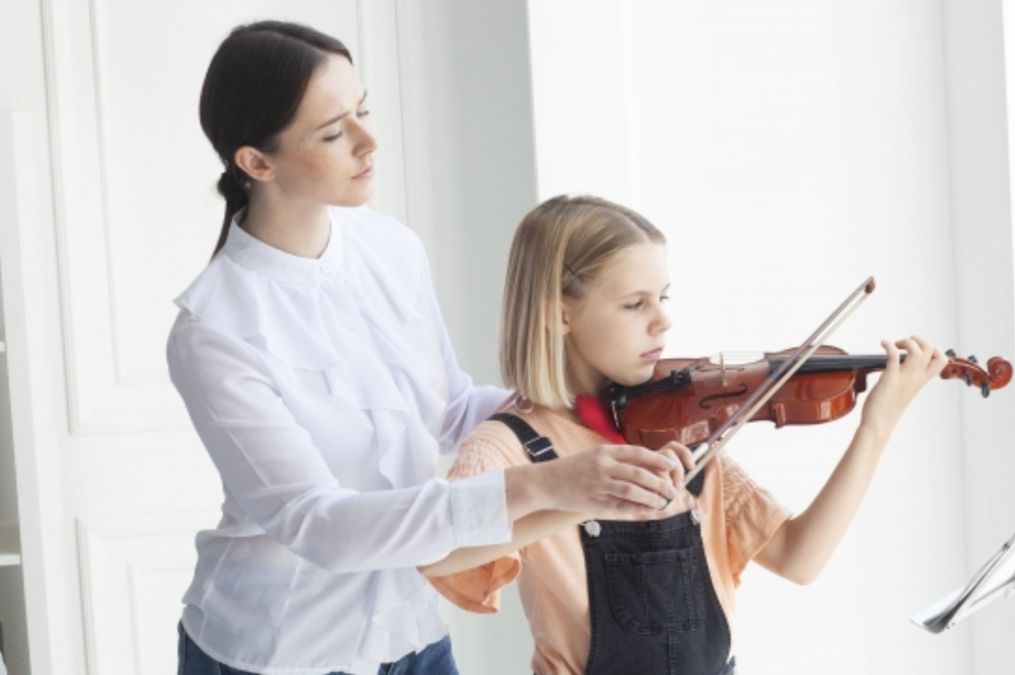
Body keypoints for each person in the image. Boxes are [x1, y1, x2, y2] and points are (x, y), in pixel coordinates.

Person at [169, 22, 682, 675]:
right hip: (280, 647)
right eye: (334, 132)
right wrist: (544, 482)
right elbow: (318, 523)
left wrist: (598, 410)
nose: (368, 141)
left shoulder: (391, 248)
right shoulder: (213, 329)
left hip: (411, 627)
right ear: (256, 162)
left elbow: (450, 407)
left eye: (364, 110)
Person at [420, 195, 950, 675]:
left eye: (664, 298)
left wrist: (877, 423)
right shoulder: (511, 444)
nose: (662, 322)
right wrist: (572, 496)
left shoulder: (677, 429)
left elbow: (799, 557)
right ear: (560, 314)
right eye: (635, 304)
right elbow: (434, 554)